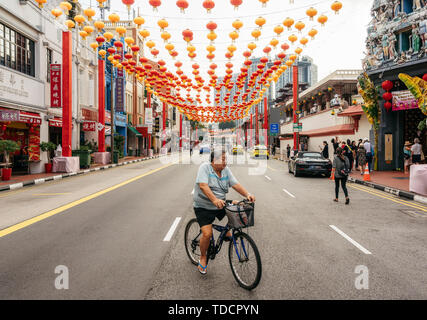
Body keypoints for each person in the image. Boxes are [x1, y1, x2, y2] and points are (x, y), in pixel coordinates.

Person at [193, 149, 256, 275]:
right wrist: (214, 200)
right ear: (213, 160)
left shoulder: (225, 171)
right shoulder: (205, 168)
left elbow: (235, 184)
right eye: (222, 159)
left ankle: (226, 232)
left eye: (225, 159)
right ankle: (203, 257)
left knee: (238, 205)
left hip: (220, 203)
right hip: (203, 207)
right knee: (207, 233)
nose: (225, 162)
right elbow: (203, 186)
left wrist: (247, 194)